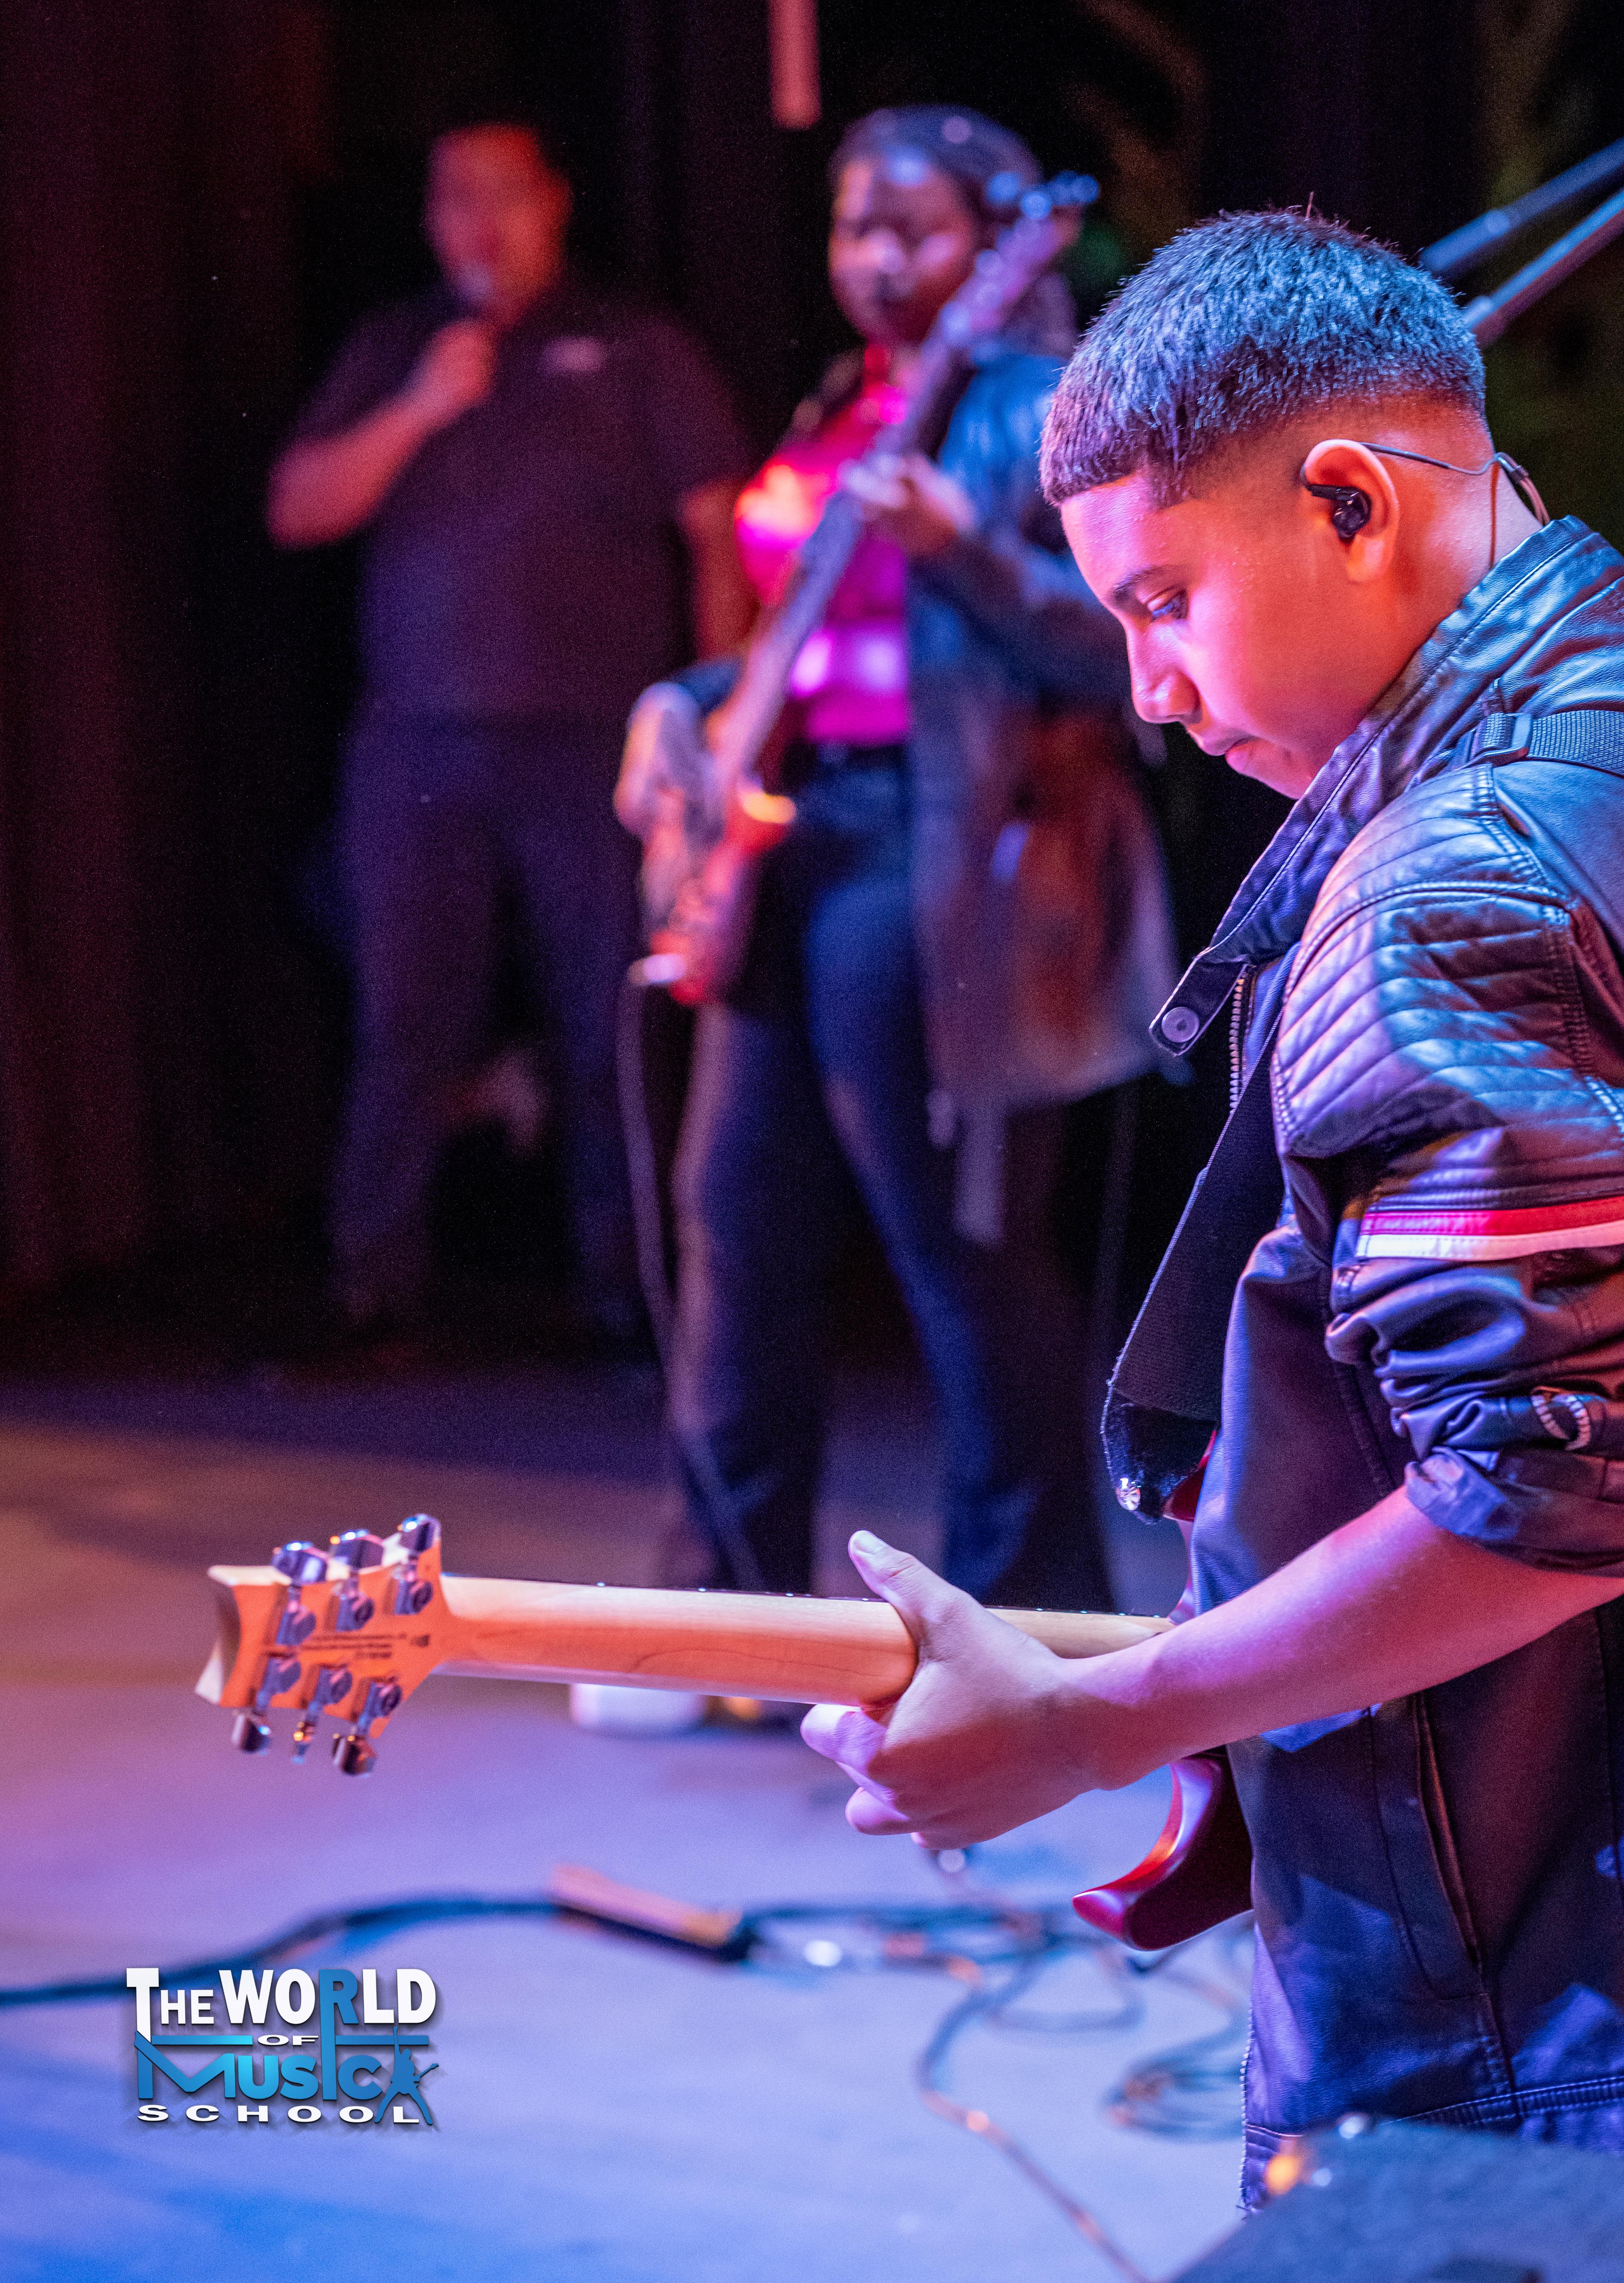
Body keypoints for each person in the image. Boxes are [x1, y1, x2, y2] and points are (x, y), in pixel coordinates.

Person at [800, 208, 1624, 2197]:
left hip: (1528, 2034)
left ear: (1351, 502)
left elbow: (1558, 1491)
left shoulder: (1457, 884)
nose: (1153, 691)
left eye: (1165, 600)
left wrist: (1094, 1729)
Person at [617, 107, 1174, 1612]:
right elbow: (787, 643)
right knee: (736, 1223)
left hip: (939, 849)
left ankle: (1033, 1612)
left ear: (997, 246)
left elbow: (1130, 643)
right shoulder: (836, 404)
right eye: (854, 227)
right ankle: (728, 1617)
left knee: (959, 1244)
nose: (875, 259)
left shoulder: (1046, 408)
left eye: (912, 231)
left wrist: (960, 549)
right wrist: (678, 710)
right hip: (791, 838)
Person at [270, 120, 753, 1342]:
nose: (478, 224)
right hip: (416, 747)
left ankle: (629, 1305)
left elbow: (718, 535)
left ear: (553, 202)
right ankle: (368, 1291)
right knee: (402, 1024)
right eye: (452, 199)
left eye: (502, 196)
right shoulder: (401, 346)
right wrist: (422, 406)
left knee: (606, 1029)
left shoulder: (633, 347)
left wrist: (719, 716)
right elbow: (299, 511)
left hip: (589, 747)